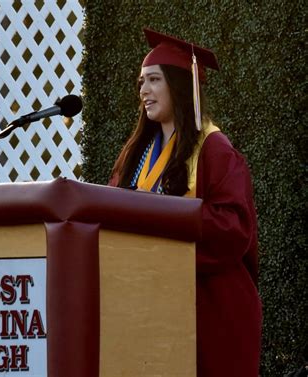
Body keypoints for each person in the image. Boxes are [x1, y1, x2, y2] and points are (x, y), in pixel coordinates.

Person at [109, 28, 262, 376]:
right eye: (141, 82)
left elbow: (233, 227)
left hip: (210, 308)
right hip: (150, 306)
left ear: (178, 85)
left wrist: (163, 221)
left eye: (153, 80)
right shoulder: (135, 153)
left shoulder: (214, 149)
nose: (143, 91)